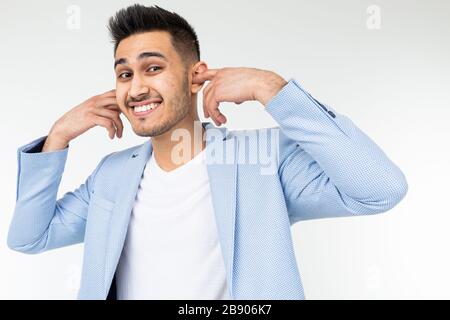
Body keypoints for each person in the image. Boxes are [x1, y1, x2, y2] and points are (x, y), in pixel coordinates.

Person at [7, 4, 408, 300]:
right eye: (124, 74)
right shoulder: (111, 175)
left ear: (195, 76)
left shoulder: (262, 159)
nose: (135, 88)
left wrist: (273, 89)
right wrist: (57, 137)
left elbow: (380, 189)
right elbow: (29, 238)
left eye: (153, 68)